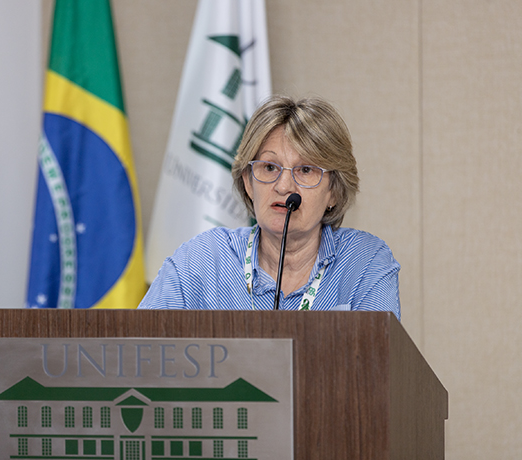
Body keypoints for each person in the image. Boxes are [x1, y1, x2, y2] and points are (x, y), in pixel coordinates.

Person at [138, 95, 401, 319]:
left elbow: (379, 369)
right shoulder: (202, 261)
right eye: (270, 167)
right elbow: (137, 355)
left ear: (334, 190)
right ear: (249, 183)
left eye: (306, 169)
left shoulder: (364, 263)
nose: (284, 186)